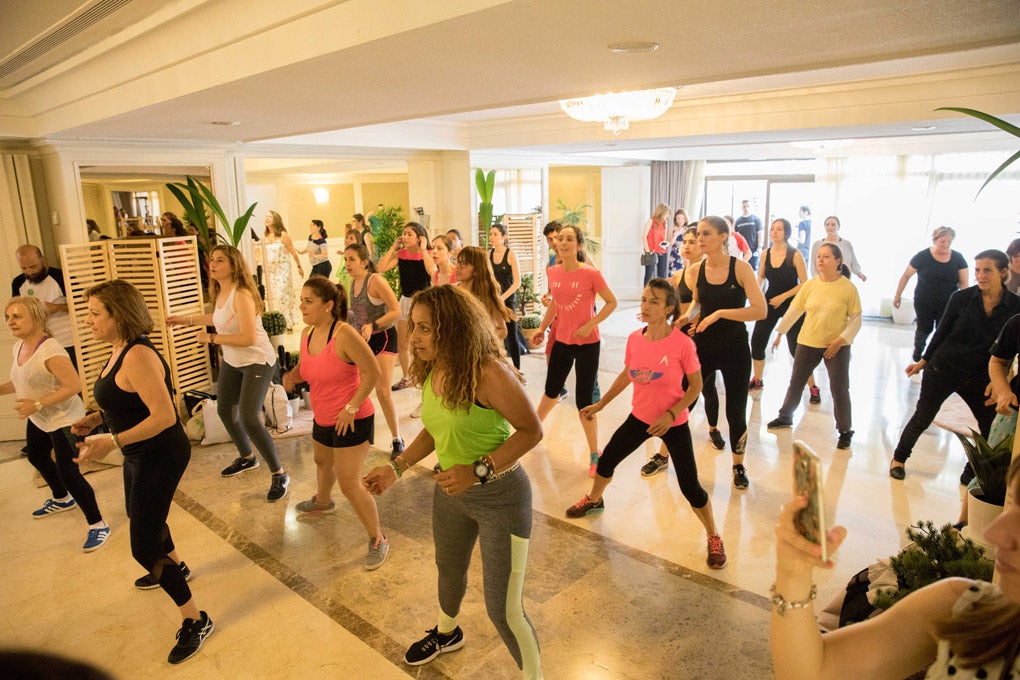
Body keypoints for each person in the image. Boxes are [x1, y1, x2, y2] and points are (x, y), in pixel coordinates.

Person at [363, 285, 543, 678]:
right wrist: (397, 468)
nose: (415, 337)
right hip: (450, 493)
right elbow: (434, 430)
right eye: (415, 327)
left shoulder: (486, 371)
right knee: (448, 568)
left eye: (426, 328)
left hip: (502, 498)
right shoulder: (433, 370)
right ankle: (448, 633)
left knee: (504, 608)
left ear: (454, 328)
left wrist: (478, 470)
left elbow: (532, 431)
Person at [770, 455, 1020, 680]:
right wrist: (793, 576)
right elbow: (814, 672)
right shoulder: (964, 608)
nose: (994, 533)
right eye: (1011, 504)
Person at [72, 280, 213, 665]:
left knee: (142, 547)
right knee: (142, 518)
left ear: (119, 315)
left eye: (95, 313)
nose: (88, 321)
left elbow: (165, 417)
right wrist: (98, 418)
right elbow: (127, 398)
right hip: (139, 453)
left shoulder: (137, 355)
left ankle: (195, 619)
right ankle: (177, 565)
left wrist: (111, 441)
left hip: (160, 454)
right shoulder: (118, 349)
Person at [566, 279, 728, 568]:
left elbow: (695, 386)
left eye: (654, 301)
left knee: (690, 487)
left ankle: (714, 535)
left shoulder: (683, 344)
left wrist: (671, 414)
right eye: (644, 300)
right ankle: (594, 499)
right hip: (639, 418)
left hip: (673, 423)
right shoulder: (634, 339)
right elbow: (627, 373)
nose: (646, 306)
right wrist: (601, 404)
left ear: (668, 308)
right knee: (605, 463)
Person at [169, 245, 289, 502]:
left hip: (257, 360)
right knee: (224, 409)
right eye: (212, 260)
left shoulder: (243, 294)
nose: (213, 264)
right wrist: (185, 320)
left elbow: (247, 337)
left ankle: (279, 473)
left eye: (220, 260)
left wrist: (211, 338)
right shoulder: (221, 291)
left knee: (248, 416)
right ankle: (247, 457)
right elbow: (219, 316)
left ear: (233, 265)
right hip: (234, 361)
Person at [282, 276, 388, 569]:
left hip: (352, 418)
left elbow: (373, 373)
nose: (301, 306)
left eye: (308, 301)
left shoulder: (343, 334)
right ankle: (322, 502)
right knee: (320, 461)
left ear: (328, 305)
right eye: (301, 300)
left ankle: (378, 538)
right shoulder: (306, 335)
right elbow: (308, 368)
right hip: (324, 416)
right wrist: (293, 375)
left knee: (349, 482)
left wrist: (351, 407)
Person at [889, 249, 1020, 480]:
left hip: (981, 375)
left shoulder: (1015, 307)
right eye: (977, 269)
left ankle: (972, 471)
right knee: (923, 416)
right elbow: (941, 333)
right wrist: (924, 360)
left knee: (989, 426)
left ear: (1003, 272)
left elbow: (1010, 351)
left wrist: (1001, 383)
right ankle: (898, 459)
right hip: (944, 368)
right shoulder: (960, 298)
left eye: (987, 270)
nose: (980, 275)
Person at [1, 296, 109, 551]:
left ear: (37, 318)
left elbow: (74, 386)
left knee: (68, 472)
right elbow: (19, 382)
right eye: (8, 317)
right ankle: (62, 498)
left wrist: (38, 404)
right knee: (37, 456)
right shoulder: (18, 347)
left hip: (64, 418)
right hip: (41, 416)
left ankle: (98, 524)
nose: (10, 322)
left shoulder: (50, 350)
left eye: (17, 316)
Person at [530, 225, 617, 477]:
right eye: (560, 239)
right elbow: (556, 304)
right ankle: (533, 432)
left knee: (584, 400)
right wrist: (542, 328)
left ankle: (594, 453)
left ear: (579, 246)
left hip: (589, 343)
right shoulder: (553, 271)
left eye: (569, 239)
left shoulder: (591, 274)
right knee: (551, 391)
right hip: (563, 340)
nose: (563, 242)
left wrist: (591, 323)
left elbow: (612, 302)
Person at [688, 216, 767, 487]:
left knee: (736, 411)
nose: (700, 239)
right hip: (703, 346)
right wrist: (687, 318)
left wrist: (721, 313)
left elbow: (760, 310)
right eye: (698, 233)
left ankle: (738, 466)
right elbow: (697, 305)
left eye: (706, 233)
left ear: (724, 236)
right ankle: (666, 456)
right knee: (684, 400)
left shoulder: (741, 269)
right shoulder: (696, 270)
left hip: (735, 348)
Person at [766, 243, 862, 449]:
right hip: (808, 341)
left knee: (839, 388)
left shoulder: (848, 288)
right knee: (796, 381)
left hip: (836, 346)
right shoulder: (810, 285)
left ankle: (845, 430)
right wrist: (780, 333)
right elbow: (795, 309)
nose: (820, 260)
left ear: (838, 261)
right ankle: (785, 416)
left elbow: (856, 318)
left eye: (826, 257)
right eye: (819, 256)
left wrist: (840, 341)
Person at [12, 245, 77, 478]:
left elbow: (81, 305)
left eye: (33, 266)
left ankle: (70, 443)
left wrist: (56, 307)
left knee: (66, 391)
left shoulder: (61, 275)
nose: (29, 271)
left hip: (66, 340)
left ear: (43, 260)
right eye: (25, 268)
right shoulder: (18, 283)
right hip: (38, 343)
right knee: (40, 386)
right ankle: (44, 443)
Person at [344, 243, 404, 459]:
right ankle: (361, 435)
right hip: (365, 341)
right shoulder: (352, 283)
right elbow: (357, 314)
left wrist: (374, 325)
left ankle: (397, 439)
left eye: (351, 259)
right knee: (360, 389)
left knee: (382, 390)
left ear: (363, 261)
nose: (347, 264)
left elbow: (396, 310)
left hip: (385, 337)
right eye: (346, 259)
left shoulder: (375, 280)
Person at [749, 218, 809, 391]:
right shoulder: (765, 253)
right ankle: (758, 379)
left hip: (792, 303)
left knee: (795, 348)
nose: (775, 232)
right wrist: (756, 293)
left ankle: (811, 385)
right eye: (773, 229)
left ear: (787, 233)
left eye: (779, 229)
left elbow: (805, 283)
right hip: (770, 302)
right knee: (757, 341)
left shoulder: (795, 254)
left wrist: (783, 297)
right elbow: (761, 277)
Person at [893, 226, 968, 362]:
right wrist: (897, 295)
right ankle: (918, 350)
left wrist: (966, 302)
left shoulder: (958, 258)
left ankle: (935, 355)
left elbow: (963, 282)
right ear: (935, 240)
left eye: (949, 242)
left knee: (943, 328)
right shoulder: (922, 256)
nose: (946, 245)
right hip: (924, 301)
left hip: (948, 302)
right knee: (924, 328)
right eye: (942, 241)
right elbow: (906, 276)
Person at [378, 221, 435, 390]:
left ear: (420, 237)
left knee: (422, 342)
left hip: (423, 302)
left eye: (409, 233)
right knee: (402, 343)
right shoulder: (402, 254)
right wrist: (393, 247)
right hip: (405, 300)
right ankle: (407, 377)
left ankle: (427, 376)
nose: (405, 236)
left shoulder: (428, 253)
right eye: (404, 233)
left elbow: (432, 271)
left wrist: (424, 249)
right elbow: (381, 268)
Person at [455, 246, 512, 340]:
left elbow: (502, 331)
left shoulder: (485, 298)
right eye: (458, 262)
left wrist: (481, 339)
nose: (458, 267)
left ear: (476, 270)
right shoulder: (452, 292)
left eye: (464, 263)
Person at [488, 223, 523, 369]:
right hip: (492, 299)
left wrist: (502, 297)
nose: (492, 237)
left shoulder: (511, 255)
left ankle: (517, 369)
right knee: (493, 334)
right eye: (490, 234)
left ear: (503, 237)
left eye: (495, 234)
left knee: (512, 335)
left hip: (507, 300)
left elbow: (517, 282)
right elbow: (488, 277)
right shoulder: (488, 254)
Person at [263, 210, 304, 328]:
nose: (267, 218)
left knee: (282, 294)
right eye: (266, 217)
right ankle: (289, 320)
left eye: (269, 216)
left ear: (275, 218)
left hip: (283, 268)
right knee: (282, 295)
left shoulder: (283, 235)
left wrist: (299, 266)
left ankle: (286, 322)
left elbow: (292, 251)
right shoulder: (265, 236)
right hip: (272, 271)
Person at [809, 215, 867, 282]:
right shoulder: (817, 244)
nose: (830, 227)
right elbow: (813, 266)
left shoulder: (846, 244)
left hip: (843, 280)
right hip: (824, 282)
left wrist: (859, 274)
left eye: (833, 225)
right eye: (827, 224)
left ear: (838, 227)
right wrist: (820, 280)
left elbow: (853, 263)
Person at [642, 203, 671, 283]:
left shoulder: (665, 223)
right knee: (648, 275)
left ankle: (661, 293)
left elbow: (664, 239)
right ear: (662, 212)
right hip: (651, 252)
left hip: (662, 252)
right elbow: (643, 236)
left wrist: (665, 245)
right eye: (666, 214)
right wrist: (648, 251)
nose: (667, 216)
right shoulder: (651, 221)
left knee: (662, 275)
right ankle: (646, 293)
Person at [734, 200, 763, 270]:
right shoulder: (738, 221)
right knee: (742, 269)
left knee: (753, 270)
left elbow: (760, 234)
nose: (746, 208)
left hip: (753, 250)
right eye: (744, 206)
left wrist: (759, 247)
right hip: (742, 250)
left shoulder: (756, 219)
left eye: (747, 206)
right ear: (742, 208)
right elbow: (734, 235)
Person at [666, 208, 690, 276]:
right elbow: (670, 243)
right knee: (672, 274)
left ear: (685, 219)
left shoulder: (688, 229)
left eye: (682, 218)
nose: (680, 220)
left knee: (684, 274)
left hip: (684, 253)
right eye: (678, 218)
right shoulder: (672, 228)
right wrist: (675, 235)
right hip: (674, 254)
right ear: (675, 219)